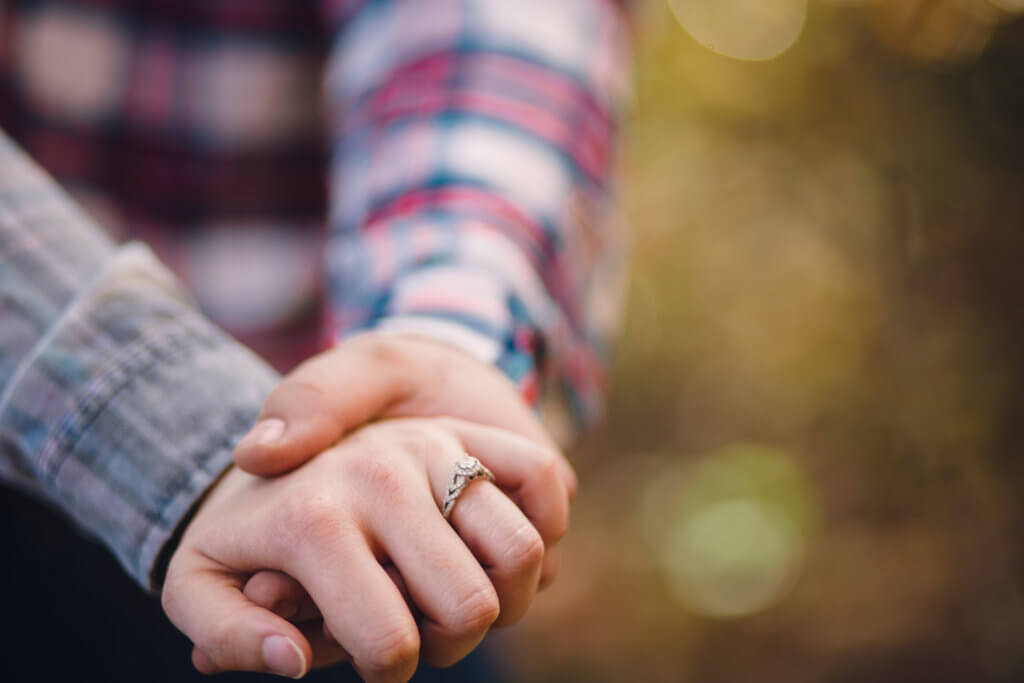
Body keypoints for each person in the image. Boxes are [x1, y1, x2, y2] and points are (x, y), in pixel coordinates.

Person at [0, 0, 629, 680]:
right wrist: (184, 433)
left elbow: (485, 39)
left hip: (342, 508)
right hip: (218, 476)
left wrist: (443, 337)